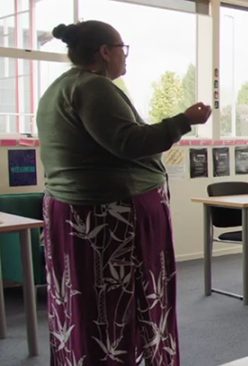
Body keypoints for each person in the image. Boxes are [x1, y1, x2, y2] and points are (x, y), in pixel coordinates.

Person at [37, 21, 211, 365]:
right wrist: (184, 120)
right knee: (119, 307)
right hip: (110, 220)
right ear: (104, 52)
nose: (124, 57)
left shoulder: (60, 87)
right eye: (122, 49)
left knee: (82, 305)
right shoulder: (93, 88)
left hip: (76, 215)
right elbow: (129, 143)